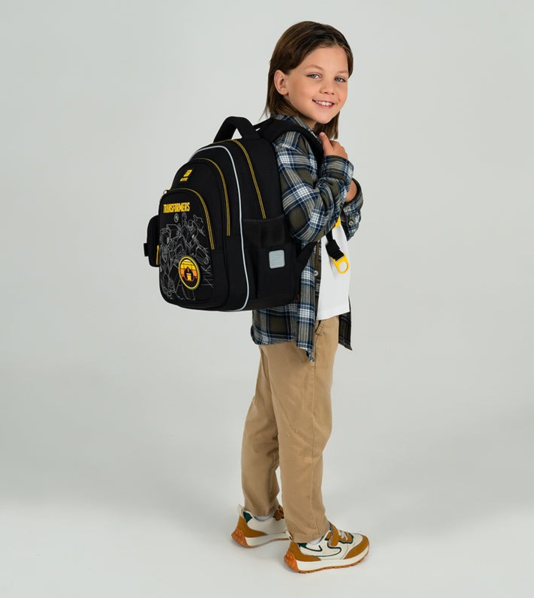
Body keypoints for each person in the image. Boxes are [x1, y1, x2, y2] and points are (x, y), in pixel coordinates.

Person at [230, 21, 369, 573]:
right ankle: (310, 539)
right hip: (308, 314)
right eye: (315, 75)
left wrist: (345, 187)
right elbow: (311, 222)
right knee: (307, 427)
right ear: (281, 81)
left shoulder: (287, 140)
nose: (330, 87)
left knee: (268, 417)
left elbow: (340, 223)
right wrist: (340, 170)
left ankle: (259, 516)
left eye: (341, 77)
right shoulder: (293, 144)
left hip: (279, 307)